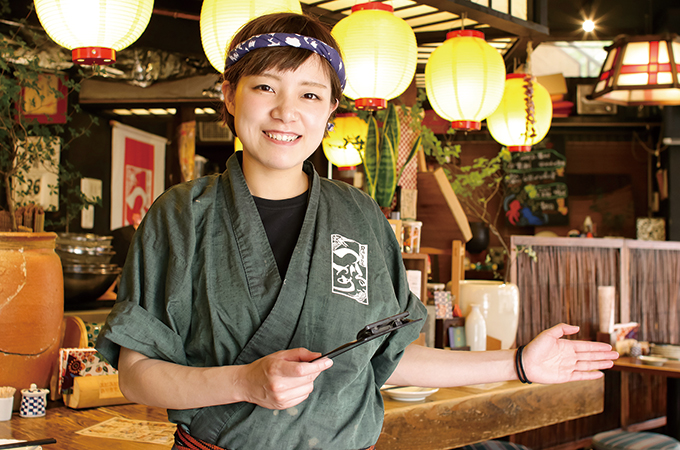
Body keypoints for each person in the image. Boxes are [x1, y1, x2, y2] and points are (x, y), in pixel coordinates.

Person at [96, 12, 618, 450]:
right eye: (264, 87)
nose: (286, 111)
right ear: (230, 95)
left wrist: (519, 363)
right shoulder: (182, 215)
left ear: (329, 113)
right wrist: (244, 381)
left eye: (310, 95)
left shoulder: (360, 218)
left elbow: (388, 356)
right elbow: (136, 373)